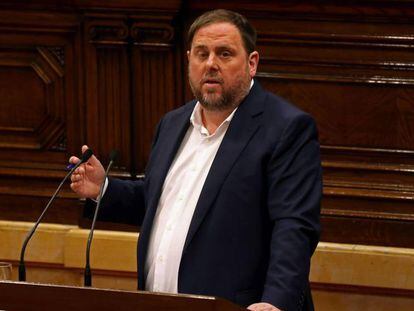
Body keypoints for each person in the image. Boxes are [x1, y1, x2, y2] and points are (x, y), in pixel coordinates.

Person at [69, 9, 321, 311]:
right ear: (189, 59)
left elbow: (294, 226)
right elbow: (164, 202)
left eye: (224, 54)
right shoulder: (173, 123)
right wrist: (104, 189)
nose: (211, 64)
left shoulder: (285, 128)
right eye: (202, 54)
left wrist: (276, 302)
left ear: (252, 63)